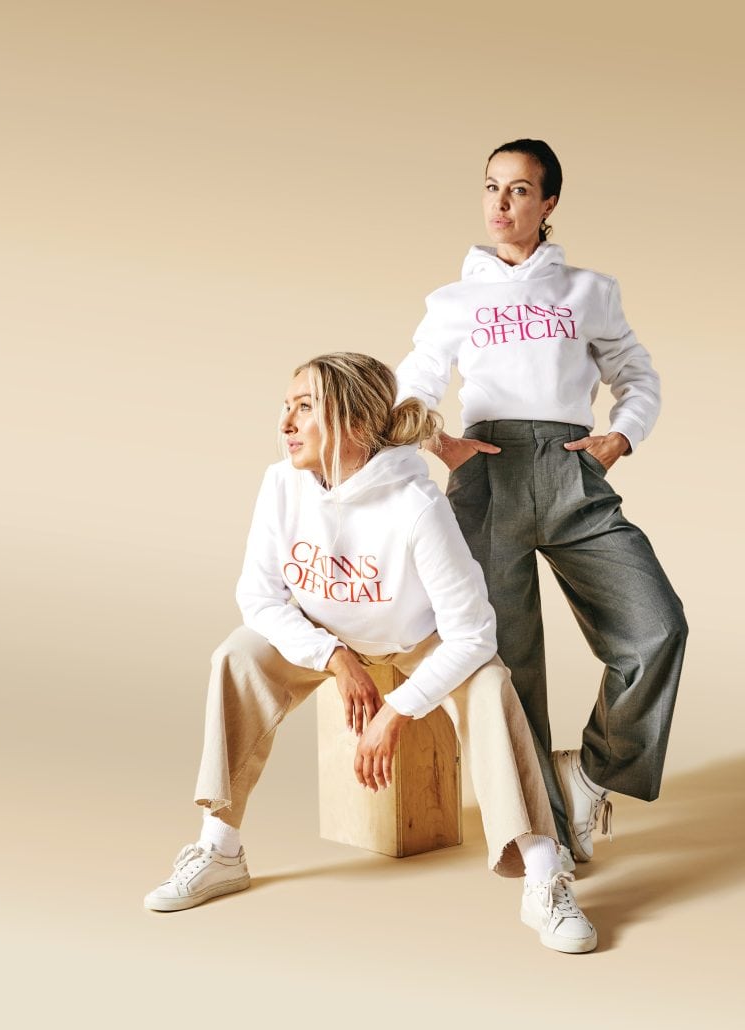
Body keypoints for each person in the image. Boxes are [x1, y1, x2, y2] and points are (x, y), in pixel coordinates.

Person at [144, 352, 597, 953]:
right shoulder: (280, 484)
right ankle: (220, 848)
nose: (285, 423)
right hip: (322, 634)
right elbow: (257, 596)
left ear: (356, 423)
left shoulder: (416, 506)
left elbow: (472, 633)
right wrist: (334, 657)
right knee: (237, 656)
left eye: (305, 408)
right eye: (286, 407)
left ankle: (544, 873)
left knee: (490, 684)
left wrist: (397, 710)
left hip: (414, 641)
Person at [395, 138, 688, 867]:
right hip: (488, 474)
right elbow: (412, 387)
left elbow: (637, 375)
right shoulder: (453, 301)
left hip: (571, 472)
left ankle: (589, 776)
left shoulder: (589, 291)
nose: (501, 203)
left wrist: (622, 435)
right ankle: (545, 837)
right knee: (508, 663)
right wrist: (438, 442)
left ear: (549, 202)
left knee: (656, 628)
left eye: (520, 190)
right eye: (492, 187)